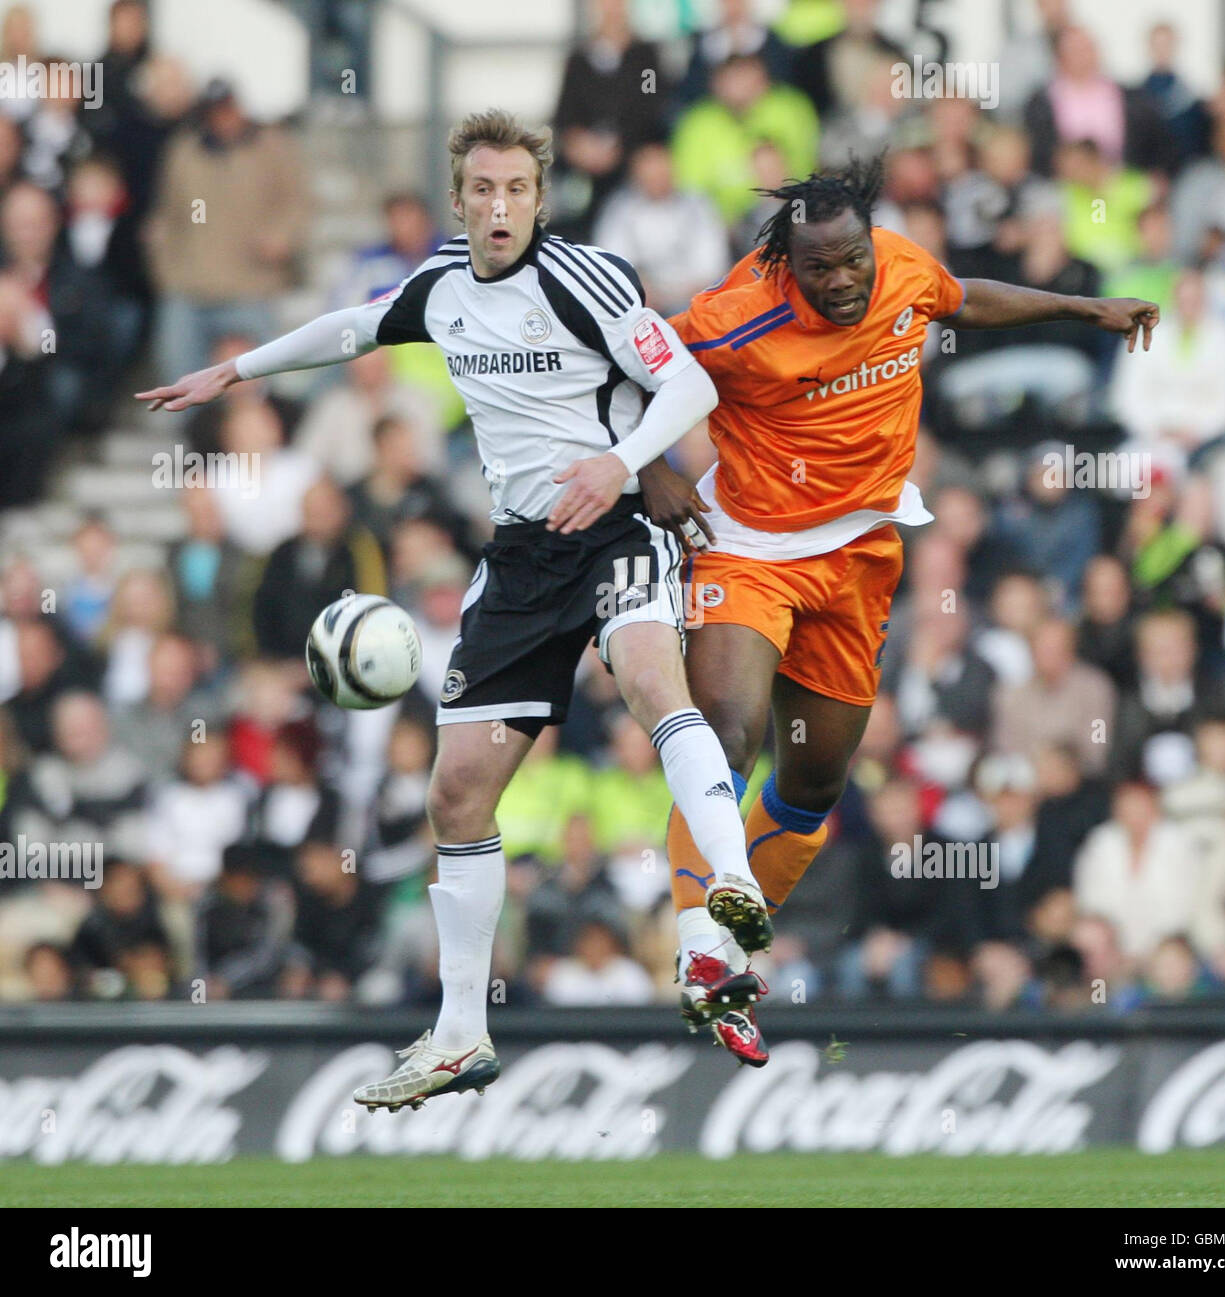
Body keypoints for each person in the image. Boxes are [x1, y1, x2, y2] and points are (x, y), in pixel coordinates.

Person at [136, 108, 768, 1108]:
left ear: (539, 195)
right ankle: (460, 1034)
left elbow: (685, 386)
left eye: (517, 188)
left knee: (652, 683)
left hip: (610, 531)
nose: (501, 206)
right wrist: (235, 369)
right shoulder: (440, 285)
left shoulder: (587, 277)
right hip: (520, 561)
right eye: (483, 188)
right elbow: (352, 326)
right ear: (460, 195)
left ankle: (732, 886)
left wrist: (622, 464)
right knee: (455, 795)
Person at [642, 156, 1159, 1064]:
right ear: (785, 264)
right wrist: (651, 468)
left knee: (813, 784)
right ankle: (699, 946)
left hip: (860, 551)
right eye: (821, 269)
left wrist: (1087, 310)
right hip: (748, 547)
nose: (843, 281)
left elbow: (963, 297)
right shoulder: (735, 314)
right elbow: (626, 361)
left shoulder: (900, 265)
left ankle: (724, 945)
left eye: (852, 261)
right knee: (725, 736)